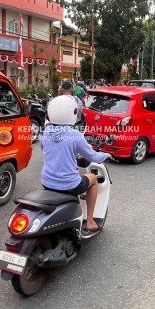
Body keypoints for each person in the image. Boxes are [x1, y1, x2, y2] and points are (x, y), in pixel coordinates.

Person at [40, 95, 111, 232]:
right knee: (93, 179)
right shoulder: (75, 135)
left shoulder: (45, 132)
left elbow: (45, 150)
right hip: (69, 185)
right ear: (71, 113)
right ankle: (90, 221)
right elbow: (93, 156)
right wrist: (106, 155)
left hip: (47, 182)